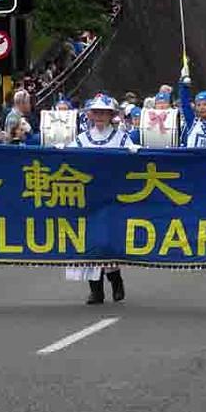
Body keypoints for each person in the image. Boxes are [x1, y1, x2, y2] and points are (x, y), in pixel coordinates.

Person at [66, 95, 135, 304]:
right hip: (87, 198)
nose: (99, 116)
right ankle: (95, 290)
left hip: (112, 197)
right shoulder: (81, 139)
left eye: (104, 113)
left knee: (108, 241)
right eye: (96, 112)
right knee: (89, 243)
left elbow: (133, 161)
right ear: (89, 115)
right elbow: (67, 159)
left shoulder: (121, 138)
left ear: (111, 115)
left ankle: (115, 280)